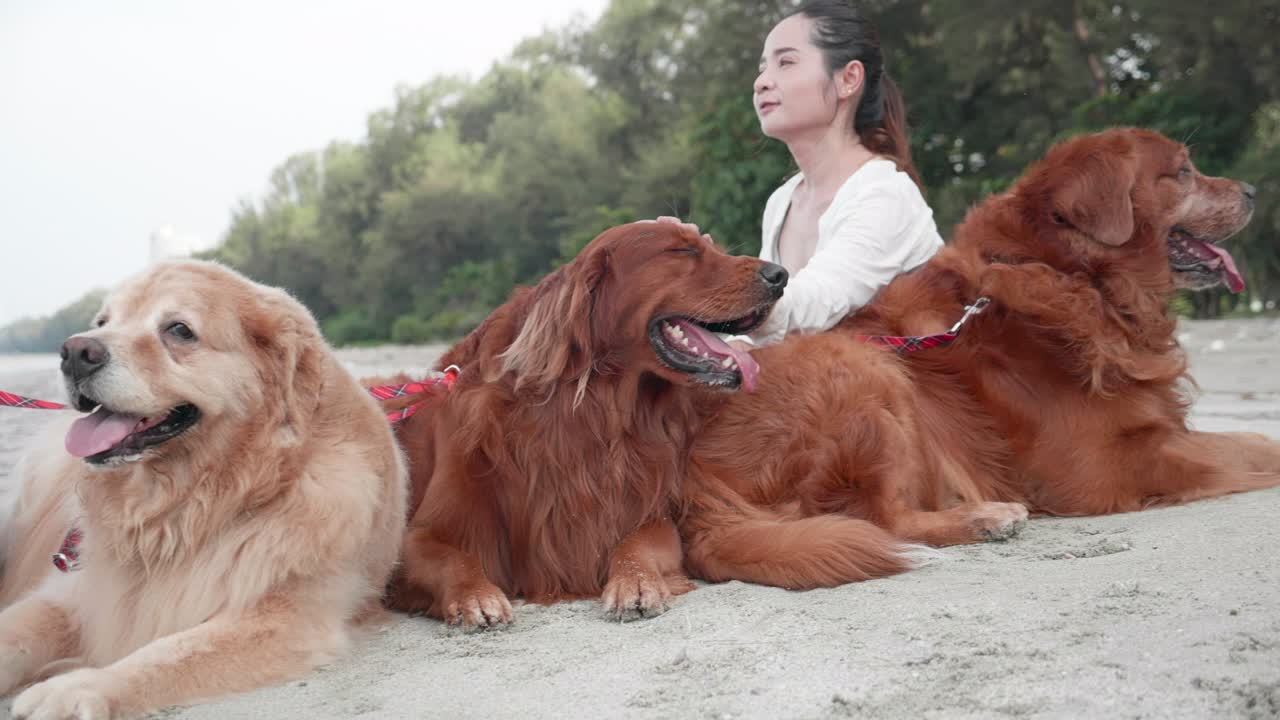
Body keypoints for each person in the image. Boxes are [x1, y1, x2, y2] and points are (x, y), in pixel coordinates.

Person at [665, 0, 943, 348]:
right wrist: (698, 264)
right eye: (763, 67)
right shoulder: (783, 201)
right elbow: (770, 338)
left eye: (786, 62)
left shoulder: (885, 194)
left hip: (905, 397)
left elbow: (815, 303)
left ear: (848, 79)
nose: (762, 82)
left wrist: (725, 282)